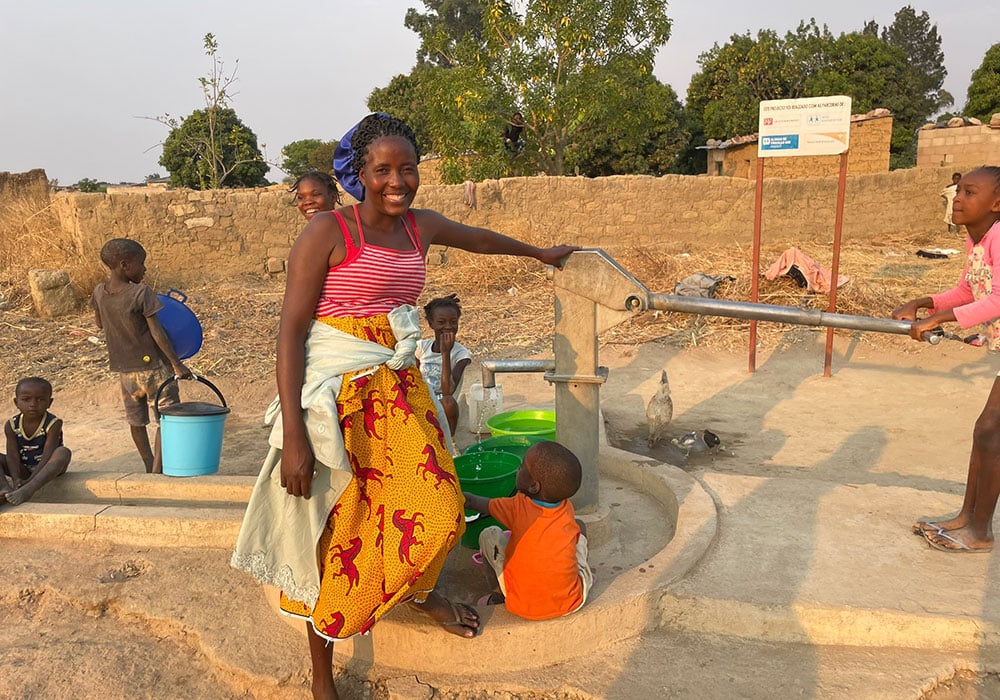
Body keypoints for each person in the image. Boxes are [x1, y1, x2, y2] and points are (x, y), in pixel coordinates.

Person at [231, 112, 578, 700]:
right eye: (383, 169)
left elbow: (482, 240)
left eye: (408, 168)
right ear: (359, 173)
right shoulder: (327, 233)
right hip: (340, 397)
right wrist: (294, 434)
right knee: (338, 521)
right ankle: (322, 661)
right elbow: (290, 333)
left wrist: (541, 254)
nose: (398, 180)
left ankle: (418, 594)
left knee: (439, 509)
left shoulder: (421, 227)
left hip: (397, 391)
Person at [893, 166, 1000, 553]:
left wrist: (938, 318)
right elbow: (967, 291)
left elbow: (999, 298)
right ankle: (966, 519)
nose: (958, 198)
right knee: (986, 432)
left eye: (970, 192)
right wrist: (924, 302)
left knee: (992, 431)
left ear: (997, 202)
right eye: (958, 191)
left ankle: (981, 533)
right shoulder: (979, 242)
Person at [90, 238, 192, 474]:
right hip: (154, 368)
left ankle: (148, 463)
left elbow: (99, 324)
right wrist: (177, 364)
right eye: (142, 264)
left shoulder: (98, 292)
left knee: (136, 420)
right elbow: (157, 332)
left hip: (124, 371)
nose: (145, 269)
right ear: (125, 265)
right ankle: (158, 469)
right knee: (166, 419)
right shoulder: (141, 292)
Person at [462, 440, 594, 619]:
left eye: (522, 466)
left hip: (521, 602)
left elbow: (472, 502)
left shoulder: (516, 508)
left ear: (534, 486)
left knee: (489, 534)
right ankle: (571, 572)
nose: (518, 467)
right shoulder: (566, 507)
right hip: (570, 601)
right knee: (580, 526)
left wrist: (450, 492)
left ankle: (497, 595)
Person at [1, 377, 72, 506]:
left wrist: (30, 481)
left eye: (40, 399)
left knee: (63, 452)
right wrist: (16, 478)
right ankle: (5, 488)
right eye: (26, 399)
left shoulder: (53, 424)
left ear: (49, 403)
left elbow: (48, 455)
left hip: (49, 468)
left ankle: (28, 491)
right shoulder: (11, 425)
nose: (33, 404)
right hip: (25, 469)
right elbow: (12, 456)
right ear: (16, 402)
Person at [416, 293, 472, 439]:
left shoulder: (461, 354)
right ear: (431, 323)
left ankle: (449, 441)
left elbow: (448, 391)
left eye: (453, 322)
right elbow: (413, 379)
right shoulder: (421, 348)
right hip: (423, 399)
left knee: (448, 402)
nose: (448, 327)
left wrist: (445, 353)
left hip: (444, 405)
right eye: (441, 322)